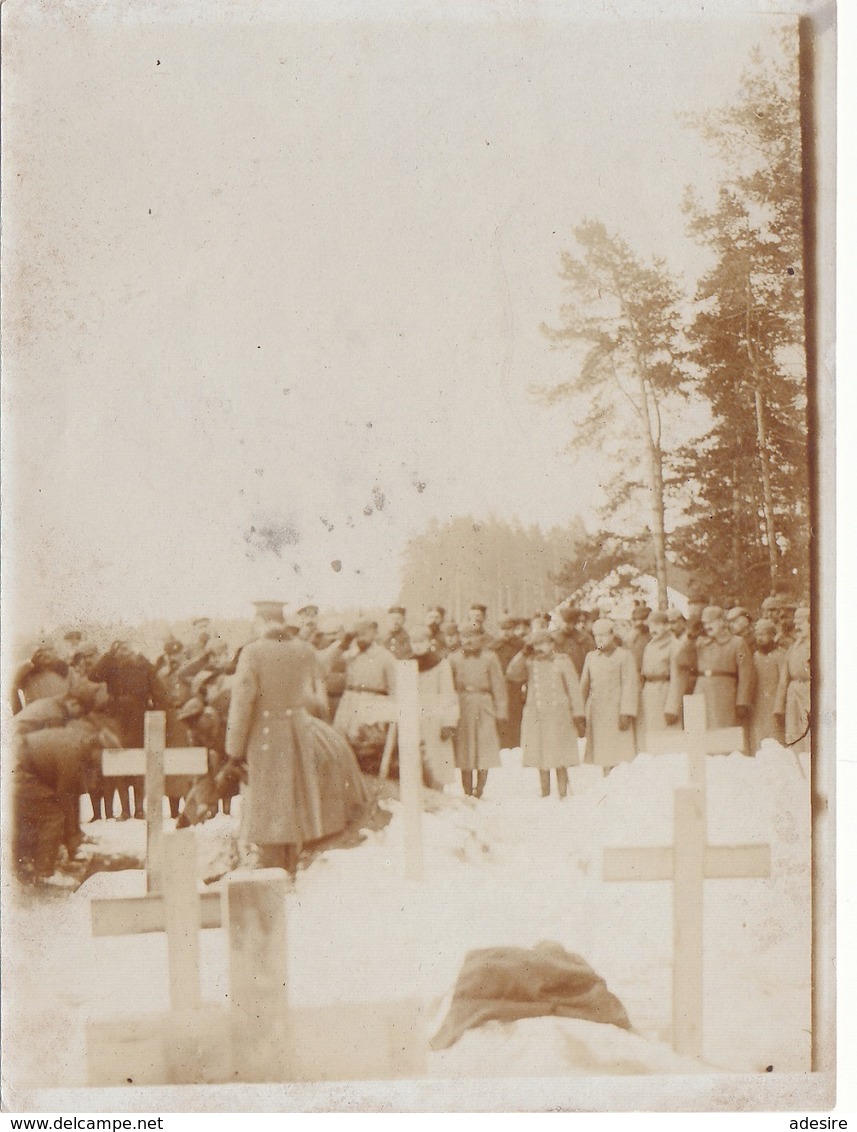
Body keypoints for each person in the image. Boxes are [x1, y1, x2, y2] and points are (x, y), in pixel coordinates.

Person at [225, 612, 369, 874]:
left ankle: (272, 866)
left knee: (269, 802)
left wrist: (234, 748)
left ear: (260, 621)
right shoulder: (302, 649)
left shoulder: (253, 652)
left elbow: (242, 700)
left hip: (265, 733)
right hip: (299, 728)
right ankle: (293, 862)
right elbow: (323, 666)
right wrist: (342, 642)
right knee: (295, 795)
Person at [90, 639, 172, 820]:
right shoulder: (111, 666)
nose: (124, 652)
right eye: (120, 648)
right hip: (117, 718)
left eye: (127, 647)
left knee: (139, 762)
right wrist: (109, 655)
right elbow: (93, 676)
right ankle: (125, 810)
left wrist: (160, 717)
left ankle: (139, 808)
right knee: (120, 760)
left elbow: (159, 692)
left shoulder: (145, 666)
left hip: (139, 717)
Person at [507, 630, 585, 798]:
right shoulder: (529, 661)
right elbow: (512, 674)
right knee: (540, 754)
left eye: (543, 644)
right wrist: (522, 653)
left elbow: (574, 689)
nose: (540, 648)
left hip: (559, 715)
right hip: (537, 714)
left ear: (551, 644)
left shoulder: (562, 661)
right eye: (536, 644)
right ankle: (545, 793)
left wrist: (578, 713)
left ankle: (563, 794)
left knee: (560, 755)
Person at [448, 627, 508, 798]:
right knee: (465, 747)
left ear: (480, 639)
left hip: (484, 703)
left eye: (472, 637)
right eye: (465, 637)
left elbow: (499, 685)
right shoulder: (454, 658)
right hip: (462, 704)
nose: (468, 641)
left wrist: (501, 711)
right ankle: (467, 791)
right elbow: (448, 686)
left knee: (484, 746)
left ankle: (479, 790)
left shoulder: (490, 658)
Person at [332, 621, 397, 774]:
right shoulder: (349, 656)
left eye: (365, 634)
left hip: (373, 700)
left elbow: (394, 688)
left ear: (374, 634)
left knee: (368, 747)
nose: (361, 638)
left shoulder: (385, 657)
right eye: (358, 634)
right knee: (341, 741)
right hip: (350, 700)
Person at [579, 618, 639, 771]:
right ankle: (606, 783)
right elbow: (584, 686)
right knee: (602, 754)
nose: (600, 639)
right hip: (597, 712)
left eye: (604, 635)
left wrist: (626, 712)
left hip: (617, 711)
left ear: (612, 635)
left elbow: (629, 685)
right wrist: (578, 711)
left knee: (620, 753)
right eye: (596, 636)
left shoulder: (624, 656)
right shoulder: (591, 657)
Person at [409, 626, 459, 790]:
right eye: (414, 642)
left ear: (429, 642)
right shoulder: (406, 663)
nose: (417, 646)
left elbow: (448, 694)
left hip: (435, 718)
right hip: (413, 718)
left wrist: (449, 722)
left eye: (421, 642)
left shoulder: (440, 664)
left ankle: (438, 791)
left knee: (436, 757)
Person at [693, 606, 755, 733]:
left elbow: (746, 674)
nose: (707, 626)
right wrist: (689, 637)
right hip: (701, 691)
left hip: (724, 695)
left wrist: (742, 701)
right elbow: (683, 660)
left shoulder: (737, 643)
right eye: (705, 623)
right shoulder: (701, 643)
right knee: (699, 734)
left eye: (711, 622)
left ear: (722, 621)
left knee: (723, 734)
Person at [774, 606, 811, 753]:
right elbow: (784, 679)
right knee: (793, 731)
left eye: (801, 623)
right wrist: (778, 707)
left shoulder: (818, 646)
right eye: (796, 623)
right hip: (793, 693)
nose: (797, 627)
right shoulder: (793, 647)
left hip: (809, 691)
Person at [638, 611, 678, 739]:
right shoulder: (649, 646)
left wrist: (672, 706)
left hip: (664, 691)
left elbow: (677, 677)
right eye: (650, 626)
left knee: (666, 735)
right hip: (649, 693)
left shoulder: (674, 644)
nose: (653, 629)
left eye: (656, 625)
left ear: (666, 626)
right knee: (650, 735)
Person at [750, 618, 786, 752]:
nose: (760, 638)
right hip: (758, 705)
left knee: (775, 737)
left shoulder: (780, 656)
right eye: (758, 634)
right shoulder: (754, 657)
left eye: (763, 634)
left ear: (771, 635)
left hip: (774, 705)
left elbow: (783, 682)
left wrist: (780, 706)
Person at [491, 617, 526, 750]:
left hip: (516, 687)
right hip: (499, 687)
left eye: (509, 629)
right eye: (503, 630)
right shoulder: (493, 646)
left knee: (516, 715)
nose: (506, 633)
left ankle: (516, 744)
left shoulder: (520, 645)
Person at [627, 605, 652, 672]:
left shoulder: (653, 635)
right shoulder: (631, 637)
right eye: (637, 620)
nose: (640, 622)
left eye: (644, 619)